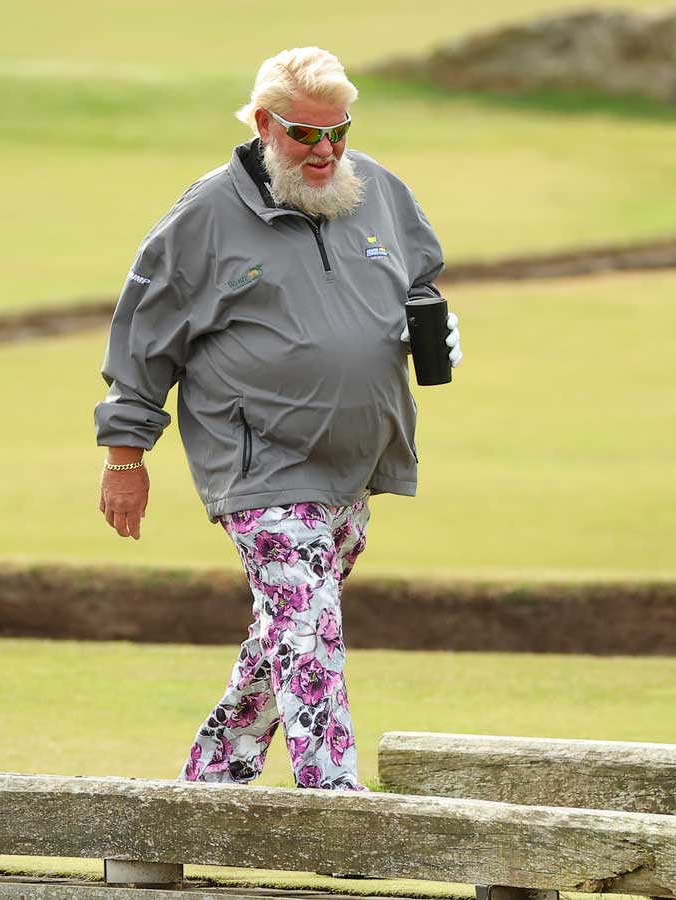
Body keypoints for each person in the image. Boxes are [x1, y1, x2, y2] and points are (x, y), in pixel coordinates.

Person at [93, 47, 461, 792]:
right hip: (260, 467)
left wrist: (434, 327)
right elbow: (142, 338)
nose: (326, 152)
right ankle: (335, 798)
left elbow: (419, 274)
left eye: (339, 132)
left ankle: (206, 788)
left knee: (286, 633)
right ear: (264, 124)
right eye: (305, 135)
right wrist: (124, 459)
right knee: (309, 628)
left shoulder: (378, 190)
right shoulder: (203, 217)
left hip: (357, 463)